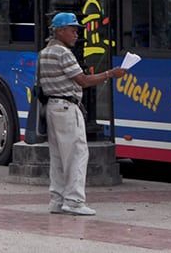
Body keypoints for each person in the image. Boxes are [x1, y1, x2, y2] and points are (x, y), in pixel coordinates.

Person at [39, 12, 126, 216]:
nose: (76, 34)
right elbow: (83, 81)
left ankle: (57, 199)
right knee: (77, 154)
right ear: (59, 31)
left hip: (52, 107)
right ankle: (74, 201)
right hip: (67, 107)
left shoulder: (45, 52)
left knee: (59, 156)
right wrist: (110, 74)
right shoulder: (63, 53)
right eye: (72, 30)